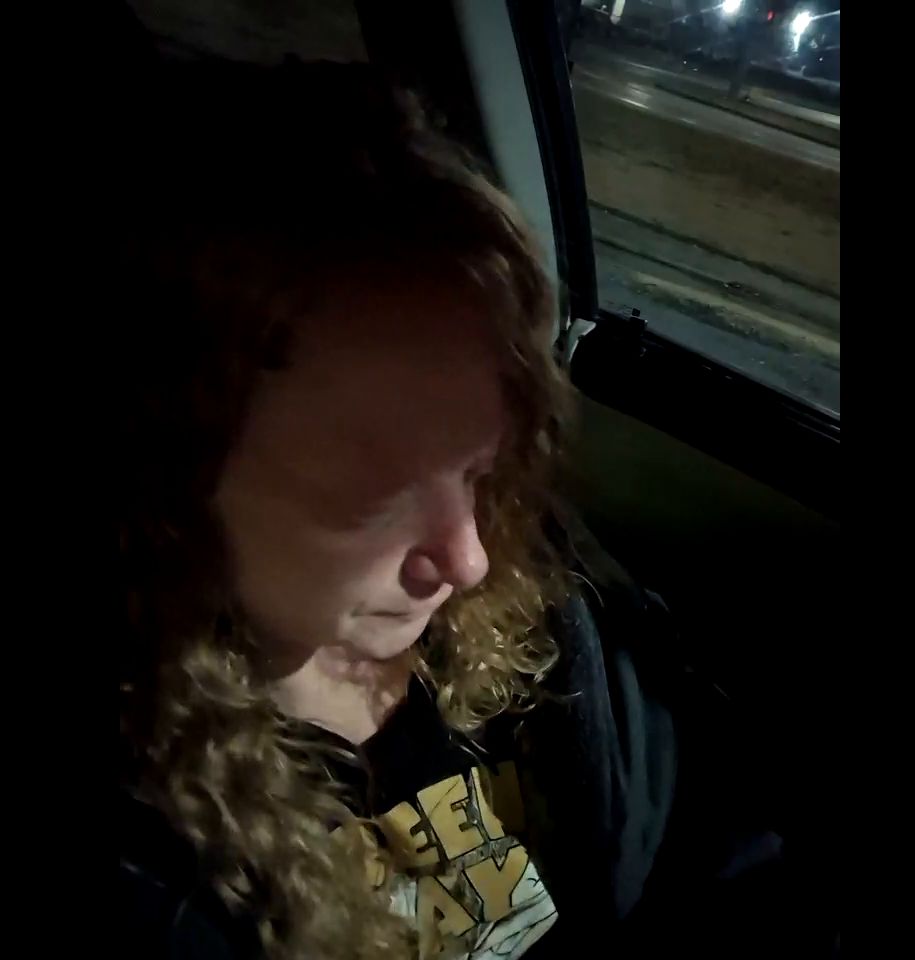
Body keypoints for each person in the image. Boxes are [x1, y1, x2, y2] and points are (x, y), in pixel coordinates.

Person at [118, 55, 681, 960]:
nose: (469, 560)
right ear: (171, 477)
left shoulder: (538, 618)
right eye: (374, 502)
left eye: (479, 471)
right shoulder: (155, 854)